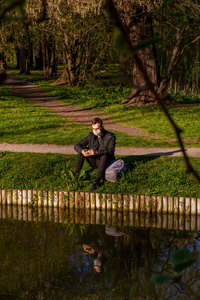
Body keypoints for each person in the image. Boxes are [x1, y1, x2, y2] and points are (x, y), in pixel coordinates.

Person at [74, 117, 116, 191]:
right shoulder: (91, 135)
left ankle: (96, 181)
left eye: (97, 129)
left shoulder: (110, 136)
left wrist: (96, 152)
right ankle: (76, 175)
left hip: (106, 162)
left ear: (102, 127)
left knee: (104, 156)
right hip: (94, 161)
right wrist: (83, 151)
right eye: (93, 129)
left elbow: (110, 151)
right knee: (82, 150)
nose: (95, 131)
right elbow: (77, 145)